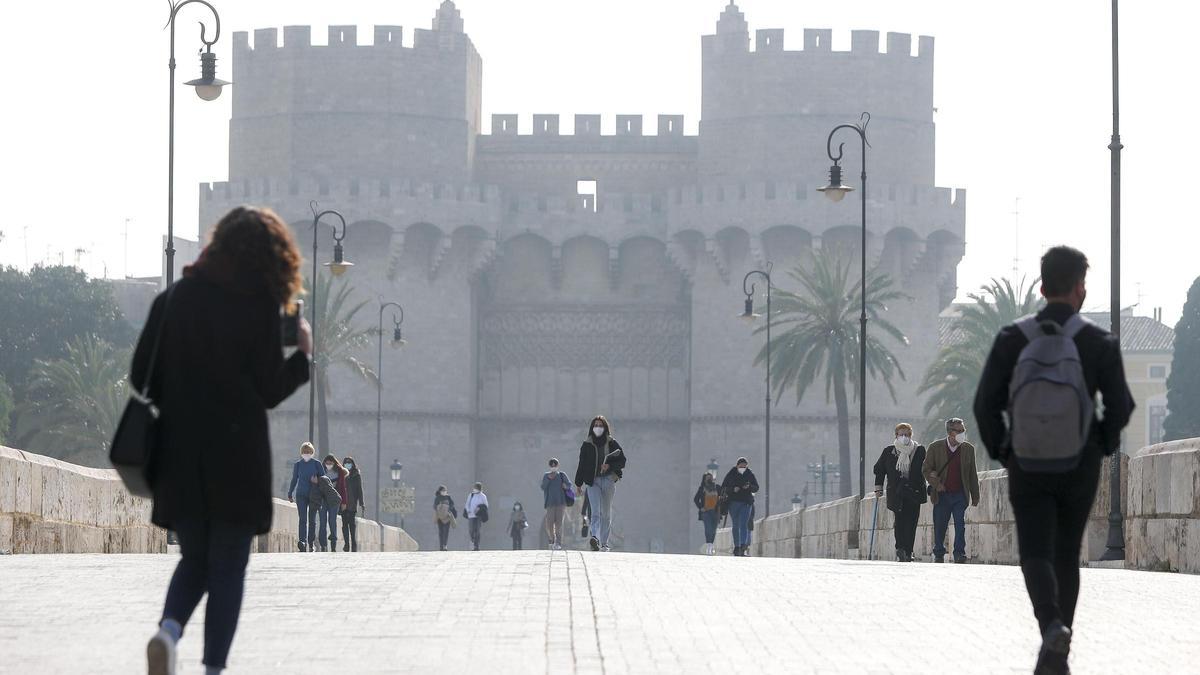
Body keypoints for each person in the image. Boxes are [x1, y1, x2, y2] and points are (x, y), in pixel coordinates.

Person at [140, 206, 311, 675]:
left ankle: (167, 632)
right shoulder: (257, 306)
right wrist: (302, 356)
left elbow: (141, 377)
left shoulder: (172, 299)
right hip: (237, 457)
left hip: (178, 455)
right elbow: (271, 388)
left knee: (195, 556)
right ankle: (213, 668)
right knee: (229, 563)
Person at [974, 246, 1133, 675]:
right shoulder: (1098, 342)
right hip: (1079, 462)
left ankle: (1050, 627)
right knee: (1067, 553)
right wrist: (1099, 443)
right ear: (1081, 288)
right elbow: (1121, 406)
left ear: (1042, 287)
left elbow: (984, 404)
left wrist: (1004, 449)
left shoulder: (1013, 338)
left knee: (1035, 552)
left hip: (1027, 460)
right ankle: (1055, 649)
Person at [923, 418, 981, 563]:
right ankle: (938, 552)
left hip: (960, 494)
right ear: (950, 433)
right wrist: (937, 484)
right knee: (940, 525)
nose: (962, 433)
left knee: (960, 524)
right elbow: (926, 469)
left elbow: (972, 474)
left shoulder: (968, 449)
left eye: (963, 430)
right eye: (959, 431)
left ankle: (959, 553)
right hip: (942, 495)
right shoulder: (935, 447)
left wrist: (975, 496)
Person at [872, 423, 928, 562]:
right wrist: (878, 487)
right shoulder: (889, 451)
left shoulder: (919, 450)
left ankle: (908, 551)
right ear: (896, 435)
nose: (904, 437)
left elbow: (926, 469)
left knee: (912, 522)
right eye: (901, 434)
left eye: (907, 434)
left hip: (914, 492)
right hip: (897, 492)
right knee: (900, 521)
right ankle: (901, 548)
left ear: (911, 435)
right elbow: (880, 469)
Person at [574, 415, 626, 552]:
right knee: (595, 512)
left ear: (605, 428)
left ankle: (604, 543)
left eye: (600, 425)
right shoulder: (586, 445)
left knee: (606, 513)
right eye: (596, 425)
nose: (598, 428)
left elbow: (622, 461)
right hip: (593, 481)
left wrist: (609, 465)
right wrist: (578, 484)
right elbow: (582, 464)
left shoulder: (612, 443)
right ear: (592, 428)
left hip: (608, 480)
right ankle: (595, 538)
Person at [287, 443, 324, 552]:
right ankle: (302, 541)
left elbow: (324, 479)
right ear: (301, 453)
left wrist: (317, 481)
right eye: (304, 452)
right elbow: (294, 479)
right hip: (301, 494)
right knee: (302, 519)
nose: (306, 454)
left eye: (308, 452)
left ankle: (310, 542)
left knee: (312, 520)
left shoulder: (317, 464)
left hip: (314, 495)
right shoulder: (298, 465)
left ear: (312, 453)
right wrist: (290, 493)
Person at [721, 457, 759, 557]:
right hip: (733, 502)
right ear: (737, 465)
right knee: (736, 524)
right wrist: (733, 489)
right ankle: (737, 547)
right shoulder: (731, 473)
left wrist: (749, 487)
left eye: (744, 466)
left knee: (744, 524)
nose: (743, 467)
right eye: (741, 465)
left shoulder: (750, 474)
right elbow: (724, 487)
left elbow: (756, 487)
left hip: (746, 502)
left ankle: (742, 547)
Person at [317, 455, 348, 552]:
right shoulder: (321, 471)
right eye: (327, 463)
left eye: (330, 463)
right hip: (323, 499)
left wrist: (344, 502)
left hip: (334, 499)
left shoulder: (339, 472)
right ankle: (323, 545)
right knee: (322, 522)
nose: (329, 465)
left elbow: (343, 487)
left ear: (334, 463)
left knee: (332, 521)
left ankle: (333, 544)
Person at [541, 458, 572, 550]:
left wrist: (565, 486)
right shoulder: (546, 476)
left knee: (559, 524)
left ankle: (558, 542)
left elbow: (569, 485)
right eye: (552, 465)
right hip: (550, 504)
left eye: (555, 465)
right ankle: (552, 539)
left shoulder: (562, 475)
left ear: (558, 466)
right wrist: (548, 479)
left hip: (561, 503)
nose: (553, 467)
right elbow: (543, 487)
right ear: (549, 466)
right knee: (549, 523)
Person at [340, 456, 365, 552]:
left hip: (352, 503)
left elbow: (359, 489)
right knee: (344, 524)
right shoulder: (341, 474)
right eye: (346, 462)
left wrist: (362, 503)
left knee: (352, 524)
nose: (347, 464)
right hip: (343, 503)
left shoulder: (356, 475)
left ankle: (353, 543)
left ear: (353, 464)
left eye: (349, 462)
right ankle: (347, 544)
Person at [693, 472, 721, 555]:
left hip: (716, 512)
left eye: (711, 477)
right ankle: (708, 545)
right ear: (704, 480)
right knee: (708, 528)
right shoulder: (702, 488)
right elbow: (696, 499)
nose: (709, 479)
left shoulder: (717, 487)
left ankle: (711, 545)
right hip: (706, 512)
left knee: (713, 530)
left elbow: (722, 497)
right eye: (708, 478)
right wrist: (701, 508)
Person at [464, 482, 489, 551]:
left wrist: (479, 508)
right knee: (471, 530)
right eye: (475, 488)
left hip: (479, 516)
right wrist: (468, 510)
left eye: (477, 488)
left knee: (478, 530)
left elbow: (486, 505)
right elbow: (467, 504)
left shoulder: (483, 496)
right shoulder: (471, 495)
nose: (475, 489)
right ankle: (472, 540)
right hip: (471, 515)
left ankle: (476, 546)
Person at [433, 486, 457, 551]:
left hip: (447, 516)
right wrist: (439, 507)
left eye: (445, 490)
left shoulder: (448, 497)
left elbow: (452, 504)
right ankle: (441, 546)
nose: (444, 492)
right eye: (443, 490)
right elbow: (434, 506)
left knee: (446, 531)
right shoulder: (437, 498)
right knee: (441, 532)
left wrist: (448, 509)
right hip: (440, 517)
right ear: (440, 491)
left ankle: (445, 545)